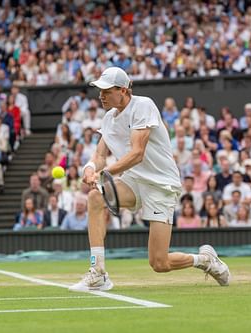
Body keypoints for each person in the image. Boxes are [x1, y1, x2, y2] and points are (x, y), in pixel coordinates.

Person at [70, 67, 230, 291]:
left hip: (160, 184)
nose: (101, 95)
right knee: (95, 198)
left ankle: (205, 260)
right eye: (100, 90)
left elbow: (137, 153)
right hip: (133, 180)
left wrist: (104, 173)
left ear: (123, 90)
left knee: (159, 263)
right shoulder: (108, 119)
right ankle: (98, 272)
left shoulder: (143, 105)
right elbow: (99, 155)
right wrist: (89, 168)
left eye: (106, 90)